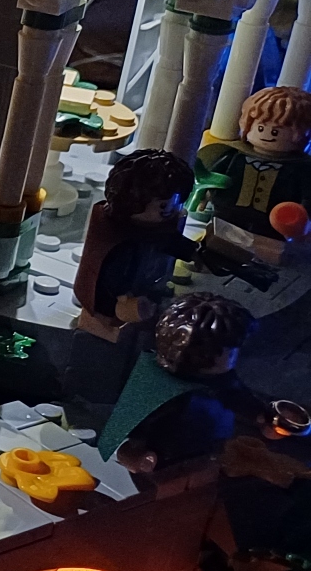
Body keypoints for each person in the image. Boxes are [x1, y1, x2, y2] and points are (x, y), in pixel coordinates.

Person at [102, 293, 262, 474]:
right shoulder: (154, 387)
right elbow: (123, 437)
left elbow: (235, 394)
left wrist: (261, 415)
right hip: (168, 464)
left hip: (214, 452)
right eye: (231, 351)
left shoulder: (219, 376)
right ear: (202, 353)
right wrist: (134, 455)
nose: (235, 356)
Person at [74, 149, 201, 339]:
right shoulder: (115, 234)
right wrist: (121, 297)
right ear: (133, 201)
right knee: (107, 326)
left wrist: (196, 253)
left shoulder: (156, 229)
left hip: (144, 289)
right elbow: (109, 272)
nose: (173, 210)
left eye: (177, 202)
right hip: (111, 302)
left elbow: (169, 242)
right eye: (164, 205)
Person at [197, 85, 311, 241]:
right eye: (261, 127)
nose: (266, 135)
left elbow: (307, 196)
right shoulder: (234, 156)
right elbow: (212, 177)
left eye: (275, 131)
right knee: (215, 241)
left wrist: (301, 219)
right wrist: (203, 195)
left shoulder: (300, 169)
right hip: (226, 214)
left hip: (271, 228)